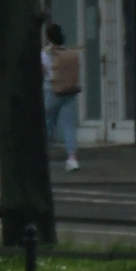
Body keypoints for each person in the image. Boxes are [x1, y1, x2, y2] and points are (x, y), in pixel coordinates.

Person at [43, 23, 83, 171]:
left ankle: (44, 152)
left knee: (47, 122)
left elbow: (44, 71)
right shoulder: (68, 52)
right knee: (69, 126)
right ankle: (72, 158)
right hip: (70, 91)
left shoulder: (46, 53)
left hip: (51, 90)